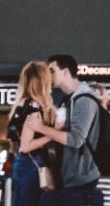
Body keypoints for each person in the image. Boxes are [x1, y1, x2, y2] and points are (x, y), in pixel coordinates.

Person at [4, 61, 56, 206]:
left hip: (20, 168)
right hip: (33, 168)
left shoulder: (19, 107)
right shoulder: (34, 108)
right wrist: (51, 135)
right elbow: (26, 145)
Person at [25, 55, 100, 191]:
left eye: (52, 71)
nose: (48, 75)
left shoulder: (84, 100)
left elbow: (76, 139)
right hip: (69, 178)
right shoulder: (68, 100)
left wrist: (41, 128)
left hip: (80, 181)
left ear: (65, 72)